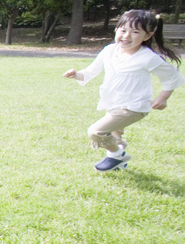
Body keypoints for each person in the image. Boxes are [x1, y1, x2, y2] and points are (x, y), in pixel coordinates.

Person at [63, 9, 184, 172]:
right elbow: (91, 71)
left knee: (96, 132)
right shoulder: (109, 50)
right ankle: (118, 159)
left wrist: (163, 98)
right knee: (114, 136)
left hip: (133, 106)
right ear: (116, 29)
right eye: (123, 30)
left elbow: (172, 76)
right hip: (112, 103)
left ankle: (117, 156)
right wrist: (76, 75)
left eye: (135, 32)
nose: (127, 36)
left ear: (147, 36)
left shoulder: (148, 57)